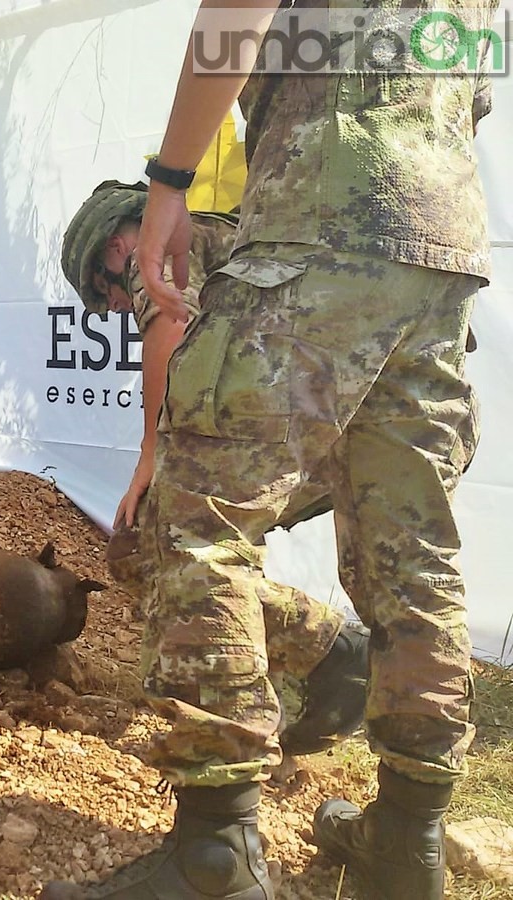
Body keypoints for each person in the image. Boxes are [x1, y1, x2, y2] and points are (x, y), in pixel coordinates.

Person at [40, 0, 494, 896]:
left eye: (109, 269)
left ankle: (215, 851)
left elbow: (234, 14)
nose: (116, 282)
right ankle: (410, 839)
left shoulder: (172, 237)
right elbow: (474, 83)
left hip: (322, 213)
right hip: (443, 244)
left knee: (189, 526)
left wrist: (169, 177)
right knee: (416, 554)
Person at [60, 180, 370, 759]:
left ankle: (237, 738)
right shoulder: (218, 238)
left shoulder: (160, 250)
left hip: (300, 417)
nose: (120, 309)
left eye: (108, 298)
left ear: (112, 251)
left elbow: (169, 330)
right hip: (332, 419)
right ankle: (325, 659)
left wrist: (151, 455)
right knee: (184, 550)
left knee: (153, 540)